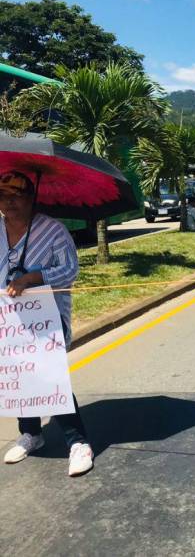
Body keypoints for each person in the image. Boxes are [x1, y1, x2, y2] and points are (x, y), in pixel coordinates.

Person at [0, 171, 93, 477]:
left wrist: (33, 277)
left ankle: (78, 442)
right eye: (3, 196)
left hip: (46, 318)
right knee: (18, 375)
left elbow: (70, 269)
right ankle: (31, 433)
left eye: (16, 196)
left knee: (48, 374)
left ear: (31, 198)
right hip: (7, 321)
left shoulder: (52, 230)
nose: (9, 203)